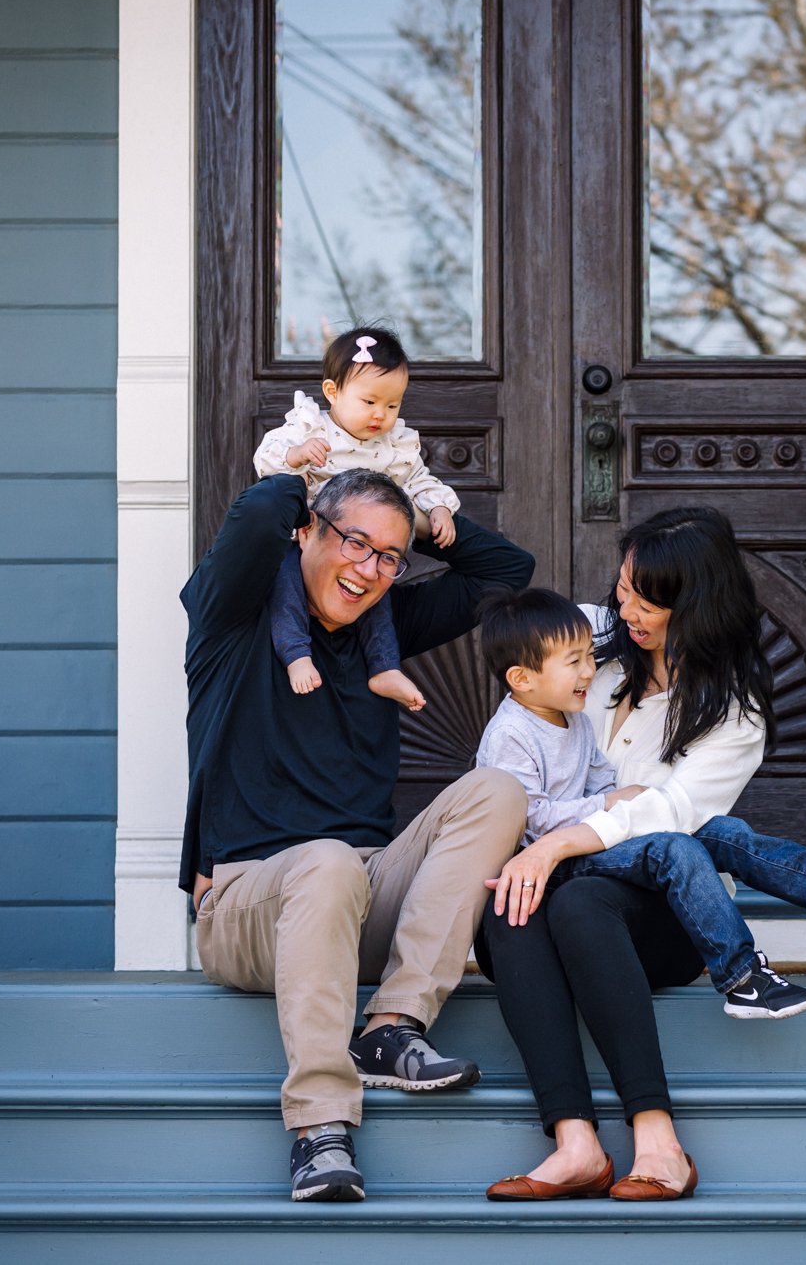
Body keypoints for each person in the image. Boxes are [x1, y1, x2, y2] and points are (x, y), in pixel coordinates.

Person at [475, 507, 806, 1204]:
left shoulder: (733, 714)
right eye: (621, 589)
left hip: (659, 913)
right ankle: (575, 1145)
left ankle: (658, 1141)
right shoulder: (586, 653)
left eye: (643, 599)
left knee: (583, 901)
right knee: (509, 908)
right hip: (560, 889)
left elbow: (673, 815)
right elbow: (512, 639)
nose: (624, 609)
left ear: (694, 605)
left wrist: (560, 841)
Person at [179, 465, 532, 1203]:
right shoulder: (232, 618)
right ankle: (319, 1128)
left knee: (496, 790)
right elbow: (258, 514)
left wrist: (432, 511)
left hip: (362, 897)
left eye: (389, 557)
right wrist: (311, 470)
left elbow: (506, 568)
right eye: (355, 543)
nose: (368, 570)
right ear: (308, 530)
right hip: (249, 902)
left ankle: (393, 1024)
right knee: (326, 862)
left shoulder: (386, 628)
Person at [472, 586, 806, 1021]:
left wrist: (614, 802)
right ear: (522, 678)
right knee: (677, 849)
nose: (590, 669)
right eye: (577, 662)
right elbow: (528, 819)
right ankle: (744, 979)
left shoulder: (576, 716)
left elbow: (598, 777)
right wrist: (608, 805)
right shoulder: (513, 734)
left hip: (590, 844)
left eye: (642, 598)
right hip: (543, 863)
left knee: (717, 830)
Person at [253, 324, 459, 711]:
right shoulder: (313, 427)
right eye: (369, 402)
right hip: (305, 542)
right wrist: (297, 454)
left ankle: (384, 667)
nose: (381, 415)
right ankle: (296, 654)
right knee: (285, 590)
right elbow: (266, 460)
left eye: (392, 405)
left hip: (362, 548)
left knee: (376, 592)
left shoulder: (394, 446)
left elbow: (419, 479)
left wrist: (439, 508)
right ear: (333, 392)